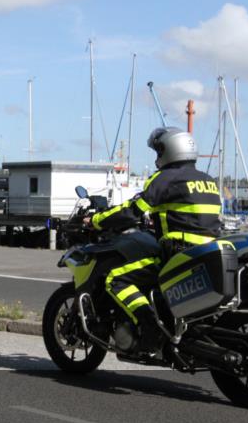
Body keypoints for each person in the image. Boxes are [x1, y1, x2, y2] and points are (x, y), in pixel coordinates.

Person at [87, 127, 223, 352]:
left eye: (158, 151)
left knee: (115, 279)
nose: (157, 157)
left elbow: (133, 210)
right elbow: (190, 215)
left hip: (178, 253)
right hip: (207, 252)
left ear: (168, 151)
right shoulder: (207, 180)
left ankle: (149, 326)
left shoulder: (165, 178)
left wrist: (96, 220)